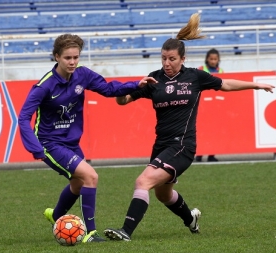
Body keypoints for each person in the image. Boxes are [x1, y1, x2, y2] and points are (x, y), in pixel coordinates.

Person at [103, 13, 274, 241]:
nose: (167, 63)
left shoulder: (195, 77)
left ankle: (125, 231)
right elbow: (123, 101)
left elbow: (225, 84)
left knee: (142, 181)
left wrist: (255, 85)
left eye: (172, 59)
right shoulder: (153, 80)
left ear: (182, 59)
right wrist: (125, 89)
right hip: (161, 145)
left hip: (183, 145)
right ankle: (190, 218)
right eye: (163, 58)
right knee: (164, 194)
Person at [18, 33, 157, 243]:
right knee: (91, 176)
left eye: (76, 57)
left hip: (71, 142)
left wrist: (136, 85)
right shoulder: (44, 86)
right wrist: (36, 148)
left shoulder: (82, 75)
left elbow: (109, 89)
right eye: (67, 58)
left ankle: (56, 215)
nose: (73, 62)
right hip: (50, 143)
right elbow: (23, 118)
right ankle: (90, 233)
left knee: (77, 183)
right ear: (57, 57)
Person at [195, 48, 223, 162]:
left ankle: (212, 154)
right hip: (203, 104)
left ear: (218, 60)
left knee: (214, 129)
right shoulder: (201, 70)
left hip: (216, 105)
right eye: (211, 59)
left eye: (215, 59)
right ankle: (199, 154)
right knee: (201, 130)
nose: (213, 61)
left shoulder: (221, 71)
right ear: (207, 59)